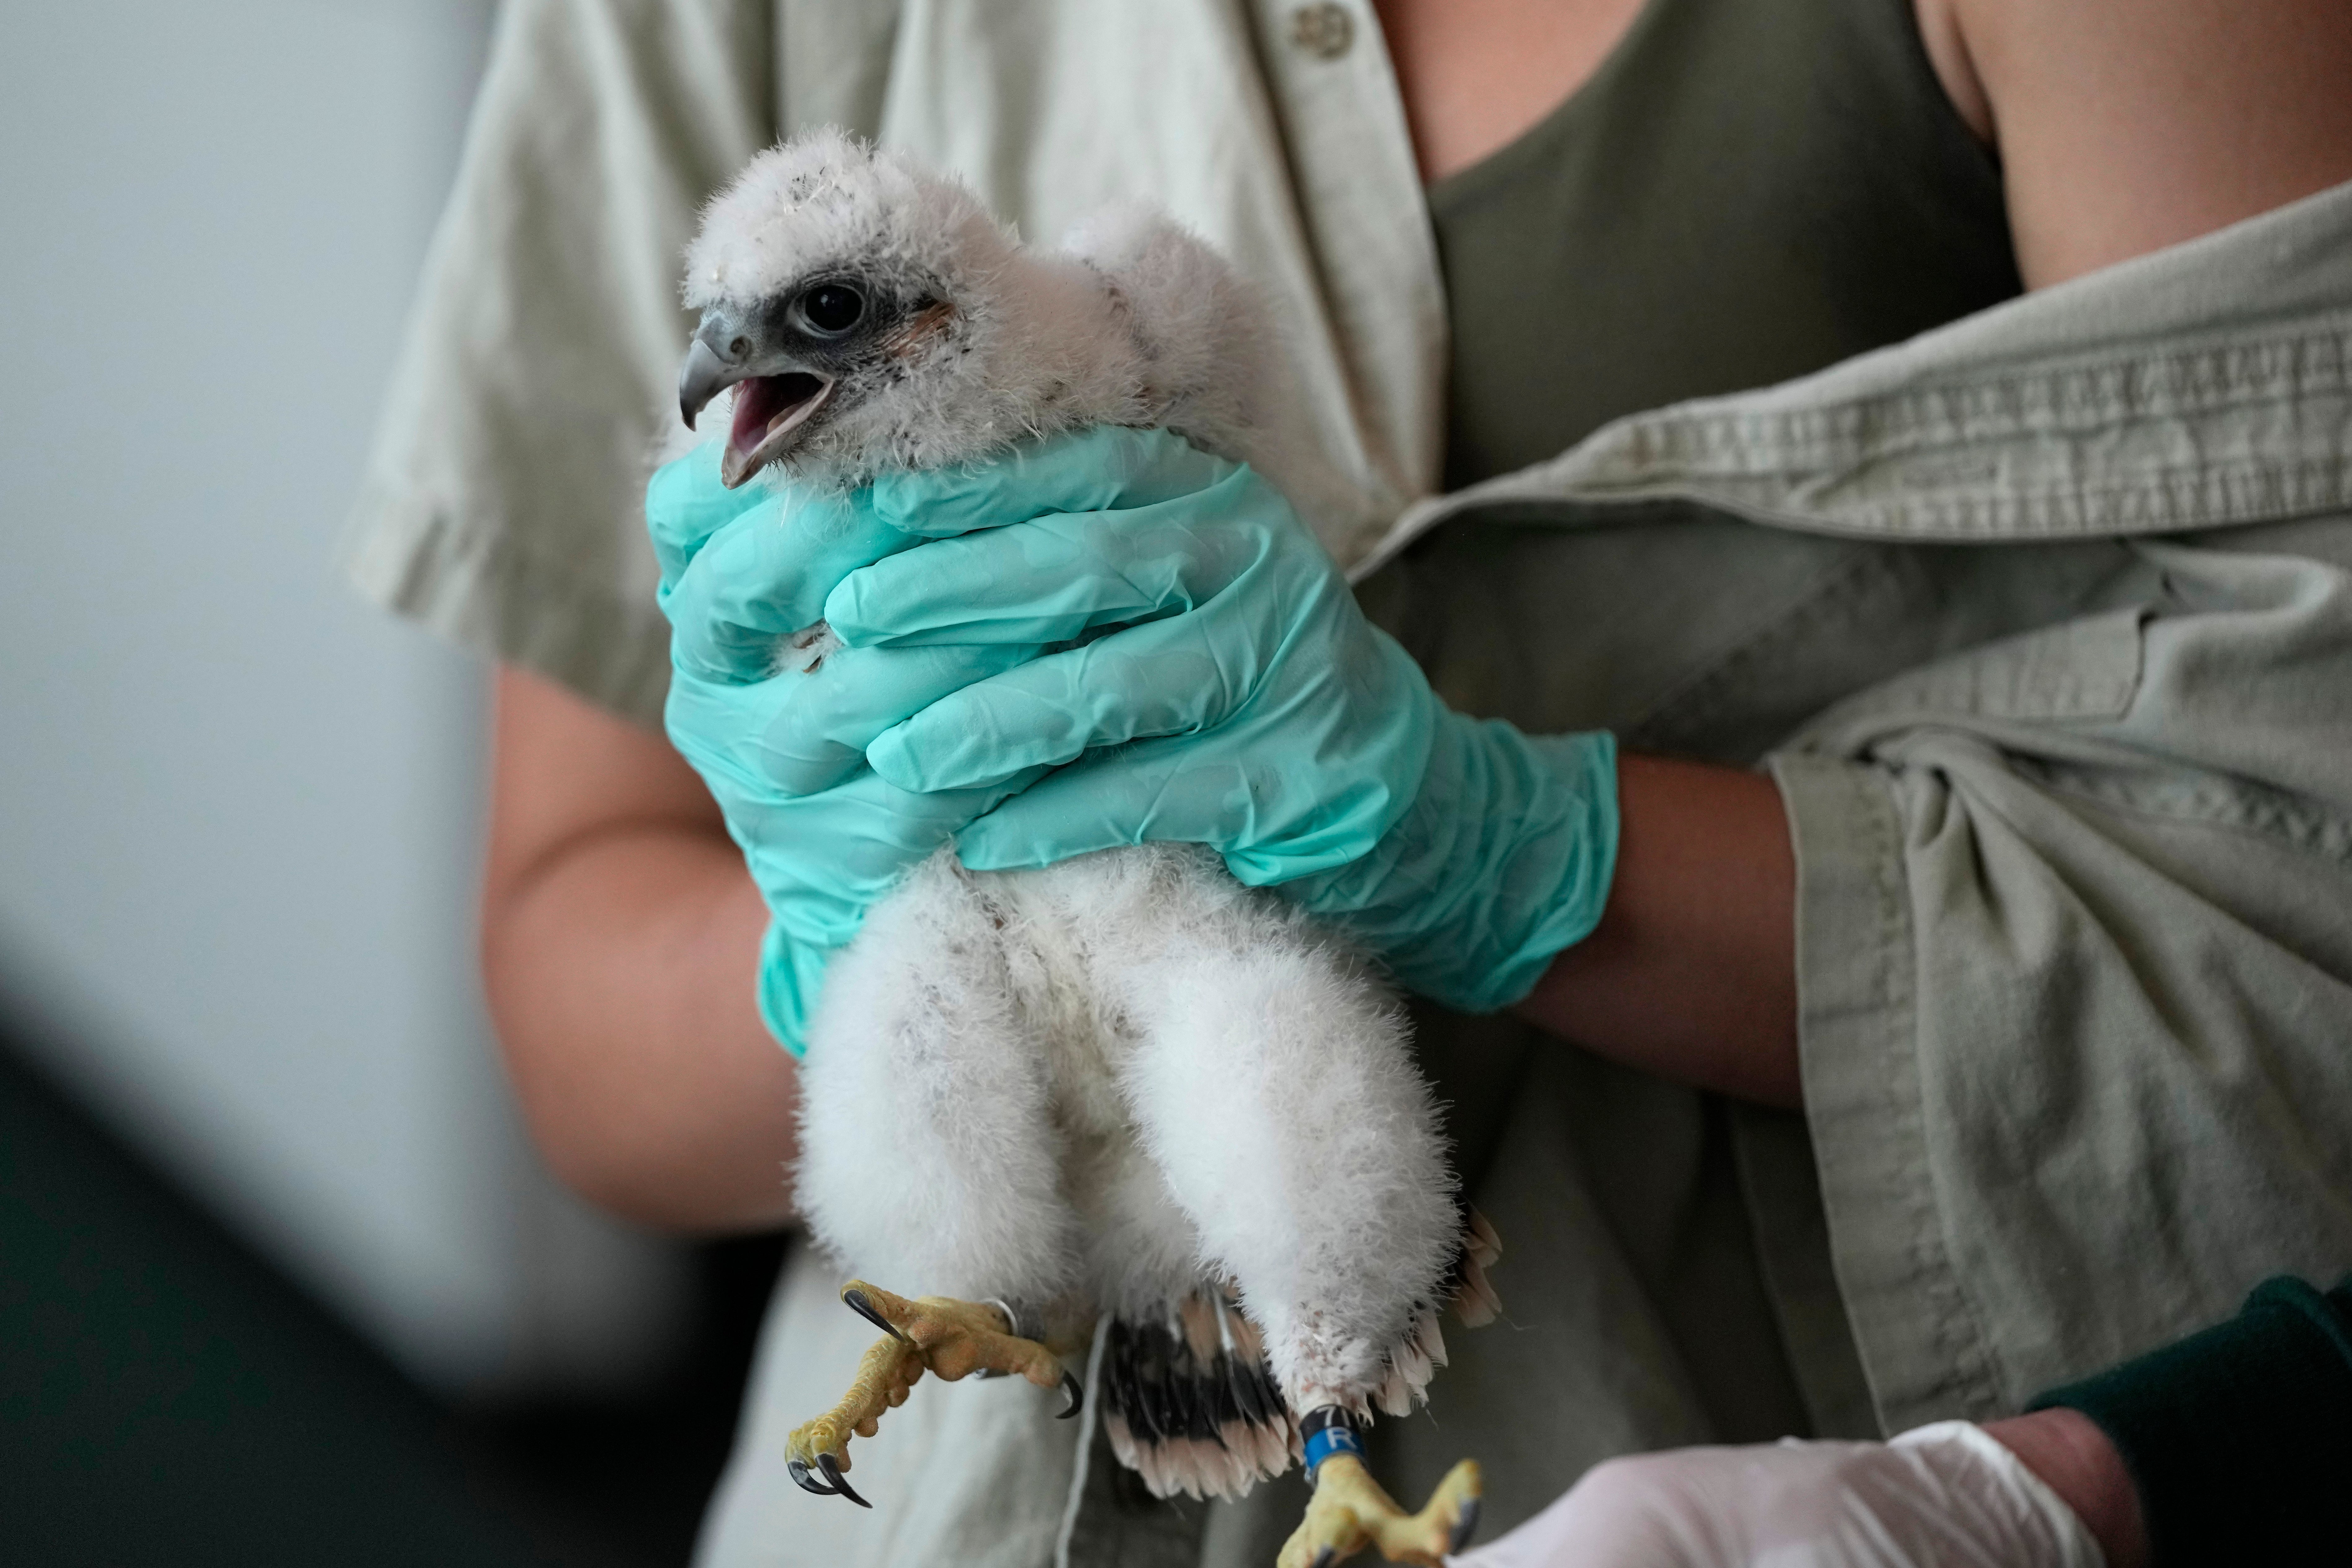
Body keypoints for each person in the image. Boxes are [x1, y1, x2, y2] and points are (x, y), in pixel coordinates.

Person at [346, 1, 2352, 1564]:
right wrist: (844, 941)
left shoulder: (1124, 306)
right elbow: (579, 1005)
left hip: (1734, 1492)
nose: (731, 379)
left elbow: (2293, 919)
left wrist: (1504, 851)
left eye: (812, 325)